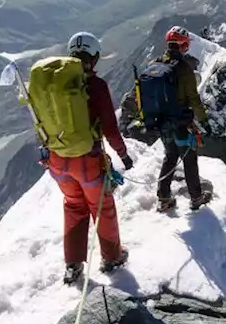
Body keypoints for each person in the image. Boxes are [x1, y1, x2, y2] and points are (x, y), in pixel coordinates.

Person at [34, 31, 134, 285]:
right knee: (102, 207)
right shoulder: (96, 86)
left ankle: (73, 264)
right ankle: (112, 257)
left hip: (57, 159)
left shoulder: (53, 85)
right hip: (87, 161)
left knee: (73, 206)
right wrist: (123, 154)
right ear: (95, 57)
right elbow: (110, 128)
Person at [140, 26, 211, 212]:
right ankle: (196, 197)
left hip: (161, 122)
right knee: (188, 159)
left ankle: (163, 197)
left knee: (170, 156)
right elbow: (194, 99)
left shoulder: (154, 63)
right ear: (183, 45)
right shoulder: (183, 69)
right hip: (181, 122)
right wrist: (204, 121)